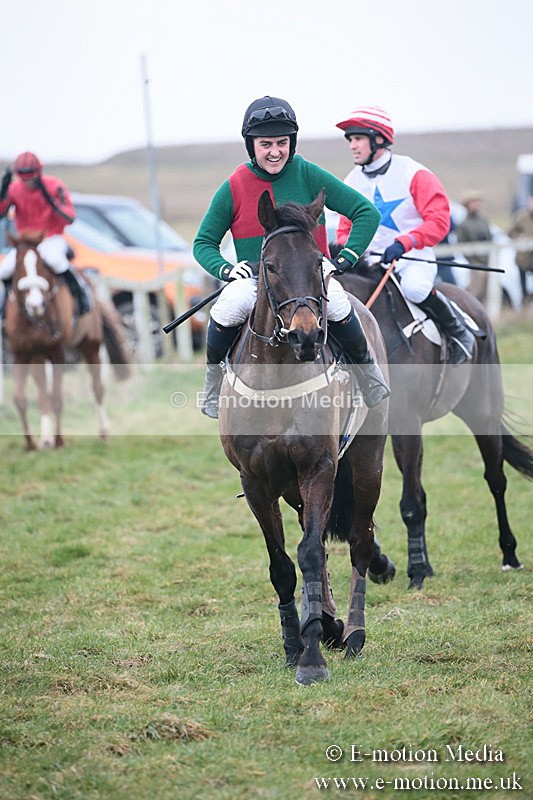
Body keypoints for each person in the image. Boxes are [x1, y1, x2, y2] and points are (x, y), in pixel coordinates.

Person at [193, 95, 390, 419]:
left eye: (282, 142)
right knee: (227, 309)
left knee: (339, 303)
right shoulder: (234, 185)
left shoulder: (309, 174)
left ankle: (369, 376)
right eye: (266, 143)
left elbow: (365, 212)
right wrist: (227, 269)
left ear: (292, 142)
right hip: (259, 280)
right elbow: (203, 243)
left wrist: (345, 259)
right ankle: (214, 386)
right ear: (251, 146)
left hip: (311, 277)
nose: (275, 151)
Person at [334, 106, 475, 365]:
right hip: (369, 263)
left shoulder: (414, 173)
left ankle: (458, 331)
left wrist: (406, 242)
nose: (352, 146)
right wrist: (351, 251)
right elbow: (344, 230)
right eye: (350, 140)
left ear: (378, 139)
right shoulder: (351, 181)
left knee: (415, 288)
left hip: (411, 256)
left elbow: (439, 220)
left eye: (357, 139)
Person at [0, 151, 90, 316]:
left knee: (55, 259)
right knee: (4, 269)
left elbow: (70, 217)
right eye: (24, 178)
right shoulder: (14, 189)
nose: (28, 182)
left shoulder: (54, 186)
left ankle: (81, 294)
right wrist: (2, 193)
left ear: (39, 172)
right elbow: (1, 214)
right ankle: (6, 305)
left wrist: (52, 201)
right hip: (26, 242)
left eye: (31, 178)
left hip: (51, 238)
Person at [456, 190, 493, 303]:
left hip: (487, 262)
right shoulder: (464, 224)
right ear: (467, 204)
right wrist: (473, 261)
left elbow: (490, 238)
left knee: (488, 293)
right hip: (475, 264)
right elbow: (461, 244)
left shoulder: (483, 221)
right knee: (475, 293)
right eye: (474, 202)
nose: (477, 205)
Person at [507, 194, 533, 303]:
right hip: (523, 258)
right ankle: (524, 304)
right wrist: (517, 237)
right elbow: (510, 231)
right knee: (523, 285)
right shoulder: (522, 217)